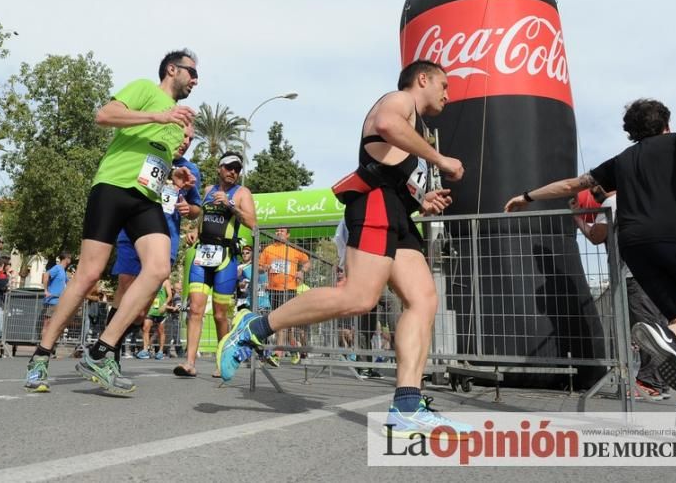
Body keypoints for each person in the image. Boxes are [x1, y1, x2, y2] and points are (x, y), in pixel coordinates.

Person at [216, 60, 467, 438]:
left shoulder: (416, 125)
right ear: (422, 79)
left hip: (397, 212)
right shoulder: (399, 100)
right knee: (358, 297)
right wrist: (439, 158)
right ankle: (256, 325)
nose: (448, 94)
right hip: (374, 207)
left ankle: (407, 406)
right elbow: (385, 126)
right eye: (444, 85)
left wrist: (422, 200)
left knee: (424, 300)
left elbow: (391, 174)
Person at [506, 98, 676, 442]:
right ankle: (670, 339)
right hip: (673, 236)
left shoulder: (620, 161)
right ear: (666, 124)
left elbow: (573, 184)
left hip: (634, 246)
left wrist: (527, 196)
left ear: (632, 131)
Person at [23, 49, 198, 394]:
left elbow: (151, 159)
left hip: (145, 199)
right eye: (191, 72)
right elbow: (104, 115)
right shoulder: (146, 90)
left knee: (159, 268)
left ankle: (103, 349)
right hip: (112, 188)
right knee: (88, 274)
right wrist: (160, 117)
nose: (195, 80)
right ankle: (41, 355)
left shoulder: (179, 127)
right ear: (171, 69)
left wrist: (173, 174)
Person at [108, 124, 201, 368]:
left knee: (142, 311)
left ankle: (109, 343)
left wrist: (188, 209)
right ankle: (108, 354)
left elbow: (196, 209)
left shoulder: (191, 170)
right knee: (125, 285)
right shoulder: (148, 154)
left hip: (165, 239)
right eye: (183, 136)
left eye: (191, 139)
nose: (186, 142)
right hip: (133, 232)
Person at [570, 186, 671, 401]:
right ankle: (659, 383)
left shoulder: (612, 203)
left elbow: (596, 236)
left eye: (596, 184)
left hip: (634, 274)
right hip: (655, 271)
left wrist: (578, 217)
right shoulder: (640, 197)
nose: (593, 189)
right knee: (657, 327)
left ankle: (649, 382)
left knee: (646, 328)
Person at [179, 151, 256, 378]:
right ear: (219, 168)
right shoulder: (207, 191)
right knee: (195, 309)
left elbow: (253, 223)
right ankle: (190, 362)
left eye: (237, 169)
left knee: (220, 314)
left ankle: (223, 360)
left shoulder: (242, 193)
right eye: (229, 167)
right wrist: (194, 231)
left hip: (225, 258)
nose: (233, 172)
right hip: (202, 254)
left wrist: (231, 205)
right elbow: (204, 217)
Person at [259, 227, 310, 363]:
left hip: (289, 289)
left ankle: (278, 354)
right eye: (277, 230)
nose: (278, 233)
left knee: (281, 322)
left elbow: (307, 261)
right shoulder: (268, 249)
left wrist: (302, 271)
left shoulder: (293, 249)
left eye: (282, 231)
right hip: (274, 289)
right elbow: (259, 267)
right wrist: (264, 268)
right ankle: (294, 349)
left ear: (287, 235)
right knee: (283, 323)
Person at [138, 278, 174, 360]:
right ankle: (145, 350)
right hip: (151, 309)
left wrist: (164, 304)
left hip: (160, 310)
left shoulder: (165, 281)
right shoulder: (150, 279)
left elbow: (170, 295)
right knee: (145, 328)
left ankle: (160, 351)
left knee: (160, 331)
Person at [41, 252, 72, 333]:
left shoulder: (63, 271)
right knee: (47, 324)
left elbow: (69, 284)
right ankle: (43, 344)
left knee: (53, 324)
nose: (70, 260)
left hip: (59, 302)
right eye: (70, 258)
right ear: (66, 259)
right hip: (52, 301)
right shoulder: (57, 268)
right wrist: (46, 290)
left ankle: (48, 344)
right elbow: (46, 275)